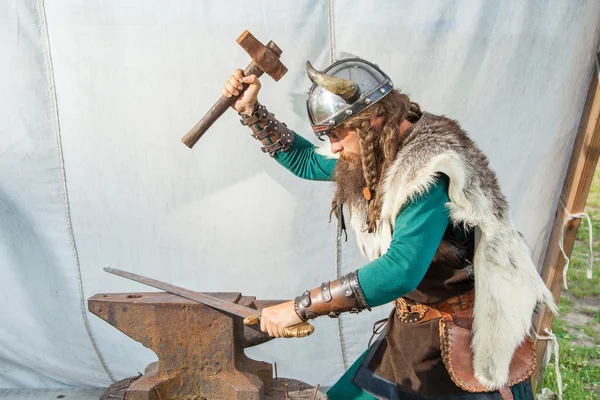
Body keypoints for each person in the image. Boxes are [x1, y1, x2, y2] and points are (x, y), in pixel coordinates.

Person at [221, 58, 556, 400]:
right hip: (412, 330)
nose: (333, 146)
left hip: (465, 335)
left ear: (374, 119)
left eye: (337, 133)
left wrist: (299, 307)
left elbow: (400, 271)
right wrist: (252, 112)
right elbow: (308, 161)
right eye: (328, 136)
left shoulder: (429, 171)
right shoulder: (380, 149)